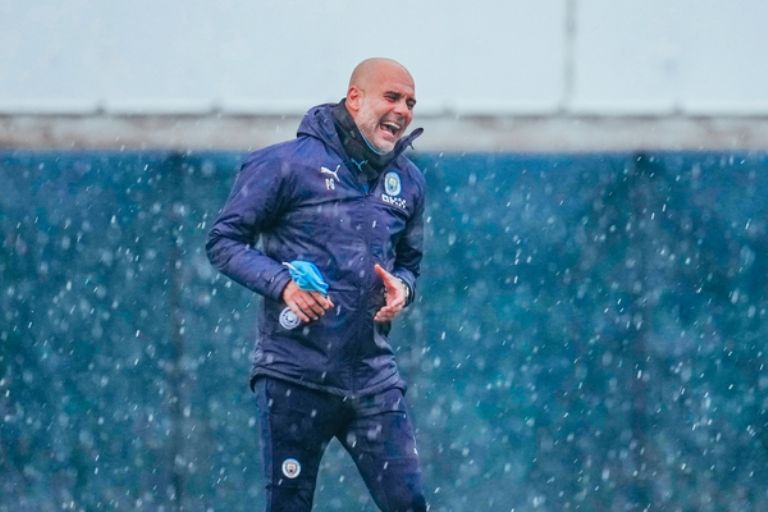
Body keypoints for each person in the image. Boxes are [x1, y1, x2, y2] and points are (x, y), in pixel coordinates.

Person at [206, 58, 427, 512]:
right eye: (392, 97)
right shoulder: (284, 164)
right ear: (355, 99)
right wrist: (283, 284)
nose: (403, 110)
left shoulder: (408, 180)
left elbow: (409, 264)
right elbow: (223, 241)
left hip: (373, 379)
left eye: (410, 102)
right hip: (294, 375)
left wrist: (402, 289)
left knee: (409, 503)